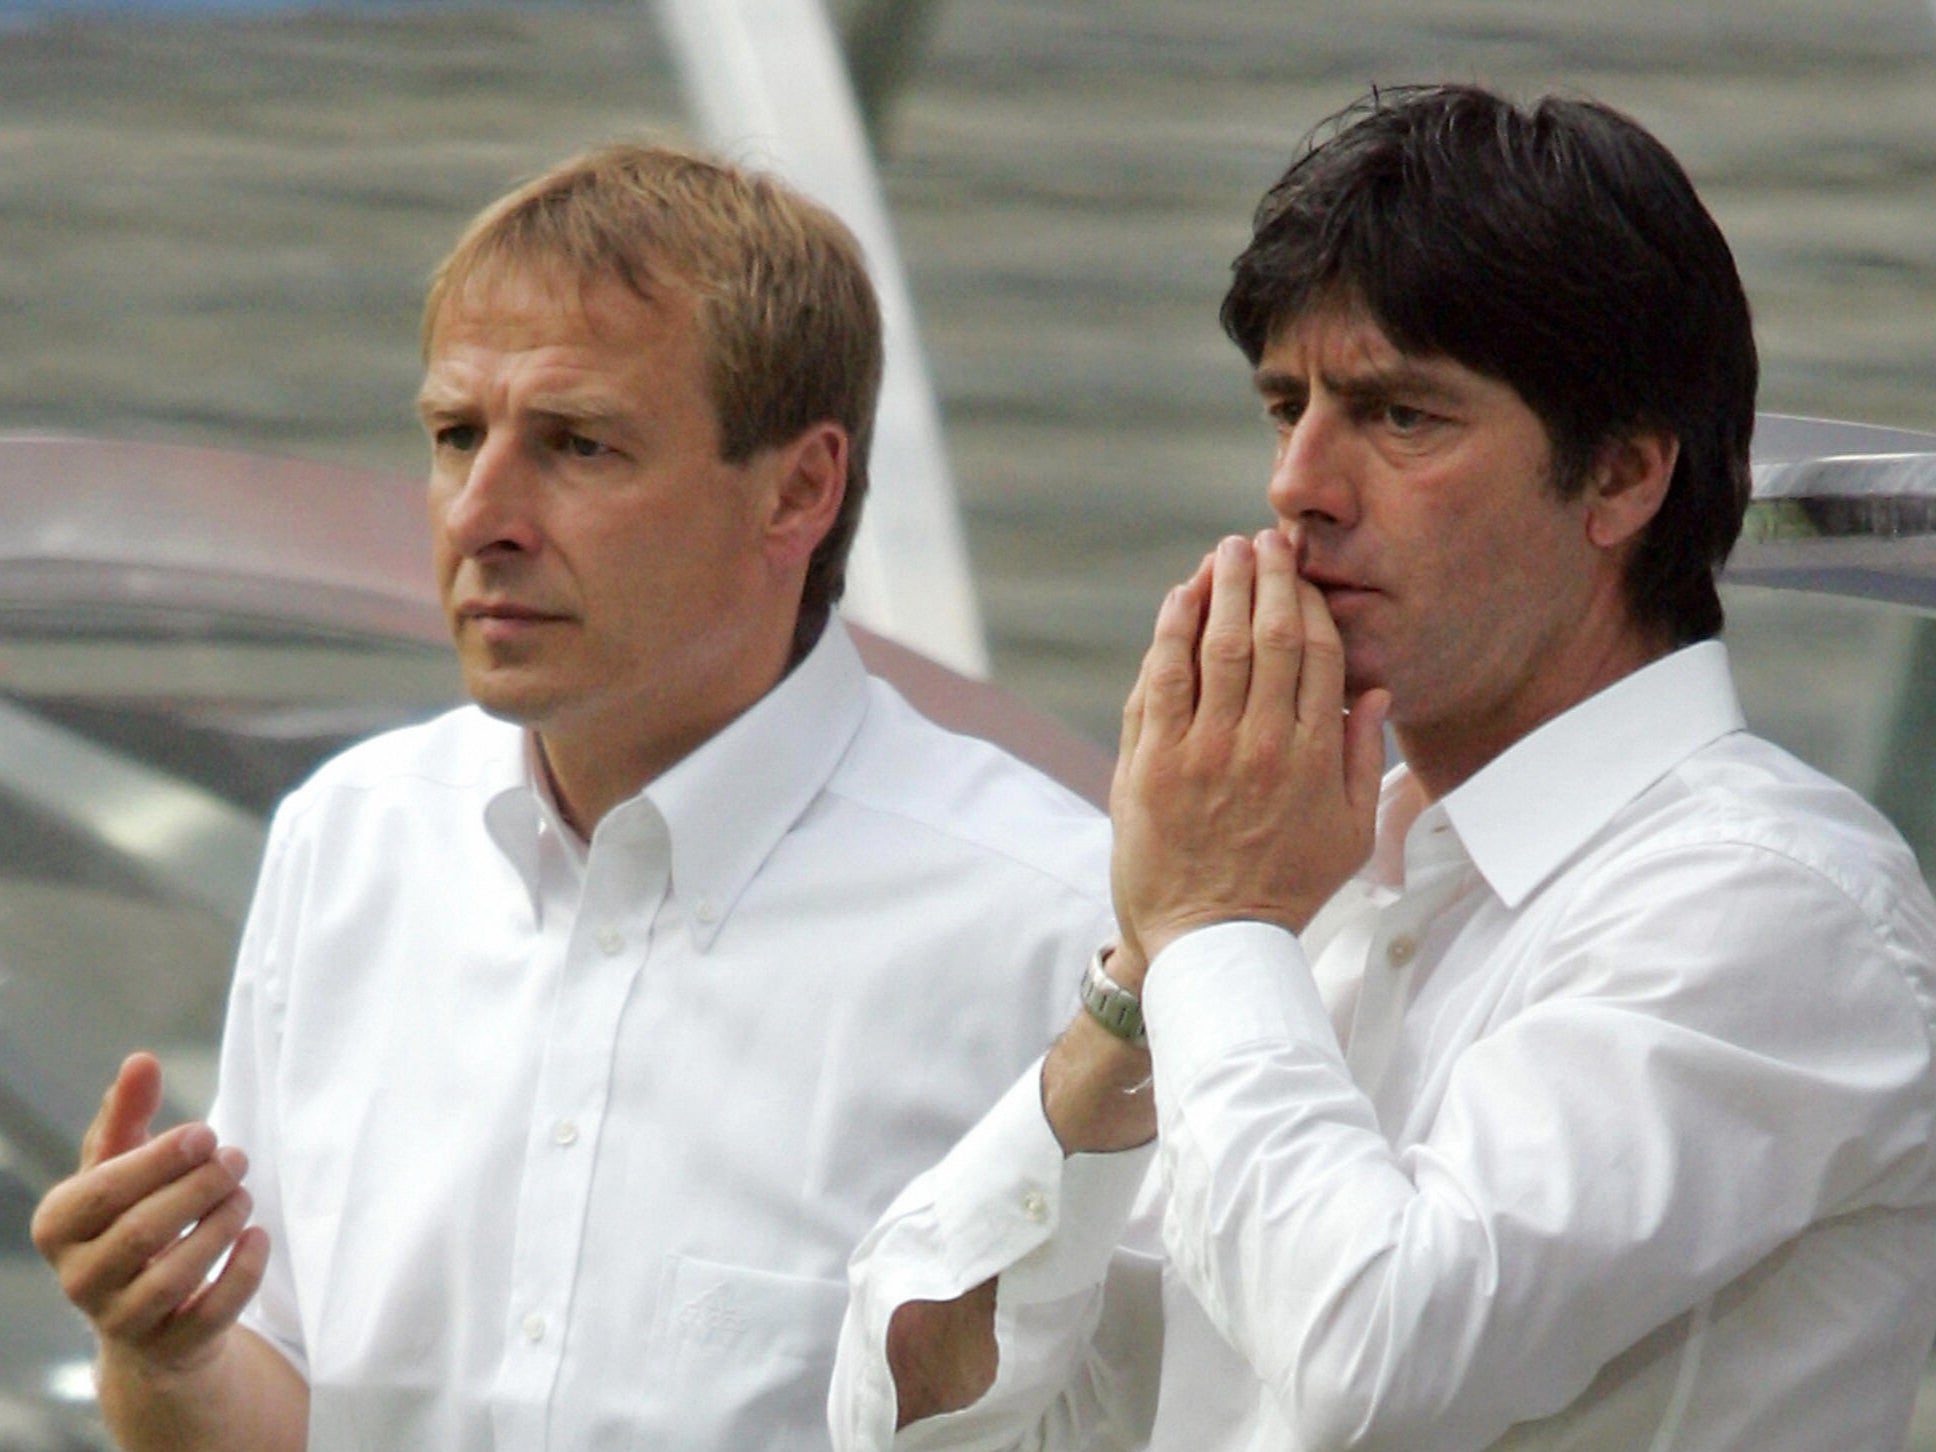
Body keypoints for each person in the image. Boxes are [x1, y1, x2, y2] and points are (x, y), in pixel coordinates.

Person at [831, 84, 1936, 1452]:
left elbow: (1376, 1358)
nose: (1301, 481)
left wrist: (1218, 930)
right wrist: (1132, 993)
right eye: (1284, 406)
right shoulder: (1299, 877)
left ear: (1625, 475)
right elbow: (924, 1413)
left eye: (1402, 416)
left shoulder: (1773, 897)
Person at [30, 143, 1111, 1451]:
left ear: (801, 489)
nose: (481, 514)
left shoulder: (1046, 924)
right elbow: (288, 1413)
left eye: (578, 445)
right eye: (452, 436)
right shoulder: (352, 838)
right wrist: (165, 1348)